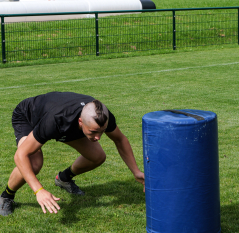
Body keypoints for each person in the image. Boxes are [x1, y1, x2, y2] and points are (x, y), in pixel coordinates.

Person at [0, 91, 144, 216]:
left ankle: (63, 179)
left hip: (67, 125)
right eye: (93, 132)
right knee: (34, 163)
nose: (98, 137)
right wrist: (39, 191)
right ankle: (6, 196)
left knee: (98, 157)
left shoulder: (103, 116)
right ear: (81, 122)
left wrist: (136, 172)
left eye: (102, 131)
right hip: (29, 117)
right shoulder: (56, 120)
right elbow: (20, 155)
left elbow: (120, 140)